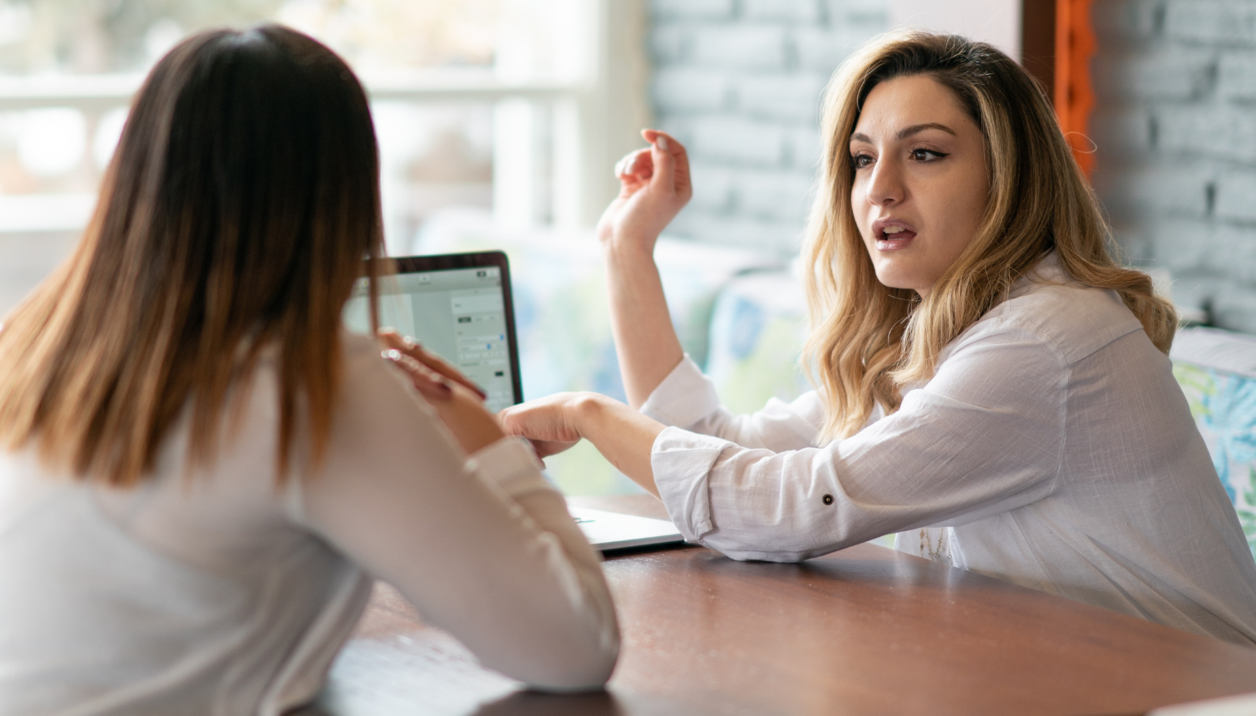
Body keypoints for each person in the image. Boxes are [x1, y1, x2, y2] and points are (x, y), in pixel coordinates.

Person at [0, 25, 619, 716]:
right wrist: (492, 447)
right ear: (338, 199)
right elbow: (573, 647)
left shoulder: (40, 345)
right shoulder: (311, 380)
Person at [501, 30, 1256, 646]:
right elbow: (719, 445)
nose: (879, 188)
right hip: (1071, 695)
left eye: (924, 153)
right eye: (863, 159)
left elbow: (790, 510)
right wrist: (626, 249)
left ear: (1010, 179)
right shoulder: (939, 338)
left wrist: (586, 415)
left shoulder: (1040, 341)